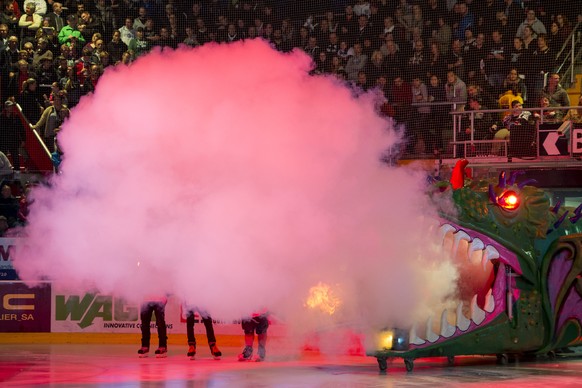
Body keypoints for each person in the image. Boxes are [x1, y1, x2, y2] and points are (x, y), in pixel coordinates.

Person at [0, 99, 24, 171]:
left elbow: (21, 128)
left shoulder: (15, 117)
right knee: (2, 159)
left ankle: (17, 177)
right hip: (3, 141)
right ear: (6, 108)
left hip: (13, 140)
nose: (11, 108)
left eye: (12, 107)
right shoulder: (1, 117)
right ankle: (2, 175)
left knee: (16, 159)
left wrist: (23, 139)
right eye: (9, 107)